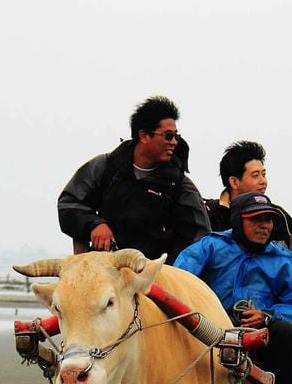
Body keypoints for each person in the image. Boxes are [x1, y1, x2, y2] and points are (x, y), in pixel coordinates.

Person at [174, 193, 292, 384]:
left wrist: (268, 315)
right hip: (211, 331)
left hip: (259, 338)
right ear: (238, 220)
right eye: (256, 219)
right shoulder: (211, 247)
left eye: (268, 220)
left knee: (287, 335)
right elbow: (179, 280)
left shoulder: (281, 261)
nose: (264, 226)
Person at [57, 96, 210, 263]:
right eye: (167, 136)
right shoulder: (105, 167)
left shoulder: (180, 185)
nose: (173, 142)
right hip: (105, 271)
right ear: (144, 136)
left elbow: (198, 238)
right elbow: (69, 204)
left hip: (153, 277)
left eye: (176, 136)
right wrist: (94, 224)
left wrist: (166, 271)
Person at [203, 140, 292, 239]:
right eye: (255, 175)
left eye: (263, 174)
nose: (263, 181)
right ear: (234, 182)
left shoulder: (278, 216)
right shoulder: (209, 213)